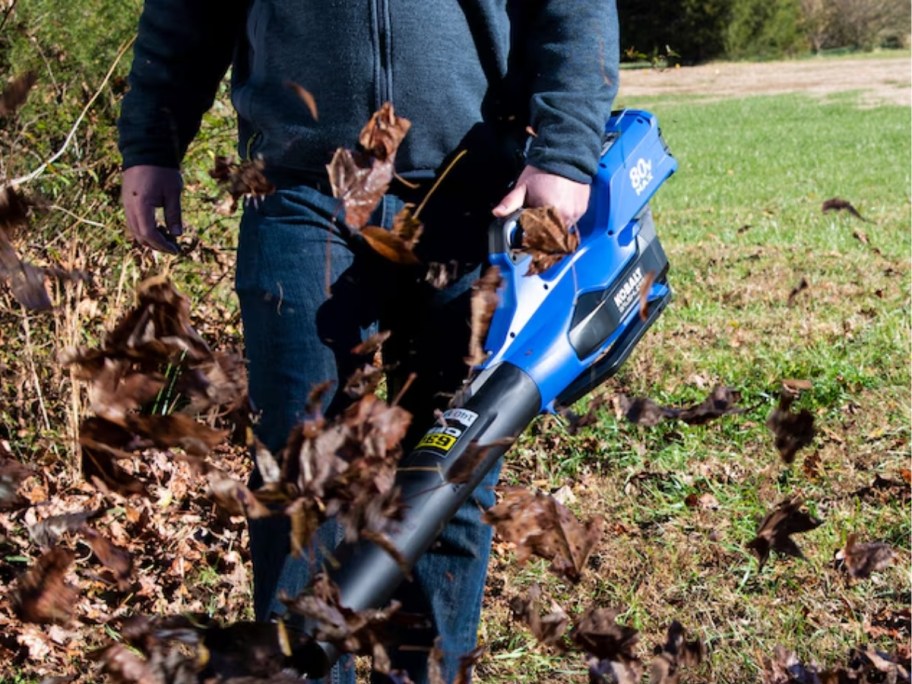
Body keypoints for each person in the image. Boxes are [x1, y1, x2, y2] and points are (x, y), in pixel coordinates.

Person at [118, 2, 619, 681]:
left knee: (451, 470)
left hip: (472, 185)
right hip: (299, 190)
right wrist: (152, 142)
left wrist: (563, 151)